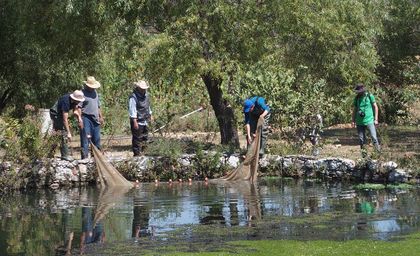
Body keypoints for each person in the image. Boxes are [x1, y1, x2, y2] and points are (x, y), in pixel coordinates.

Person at [49, 90, 85, 161]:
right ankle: (65, 156)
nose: (79, 102)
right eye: (78, 100)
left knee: (56, 134)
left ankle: (50, 153)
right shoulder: (66, 101)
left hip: (60, 114)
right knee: (63, 132)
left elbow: (75, 111)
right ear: (75, 98)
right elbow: (65, 120)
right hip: (55, 113)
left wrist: (79, 118)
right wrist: (69, 133)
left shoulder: (74, 101)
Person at [78, 76, 104, 159]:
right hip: (86, 117)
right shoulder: (82, 93)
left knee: (96, 139)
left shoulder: (95, 93)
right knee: (85, 139)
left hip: (95, 119)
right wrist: (80, 119)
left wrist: (101, 116)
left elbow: (98, 106)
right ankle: (84, 158)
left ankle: (96, 158)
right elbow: (78, 107)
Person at [352, 84, 381, 156]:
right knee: (361, 140)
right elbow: (354, 110)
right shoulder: (357, 98)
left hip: (370, 120)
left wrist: (376, 119)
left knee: (374, 137)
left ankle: (377, 154)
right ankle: (364, 156)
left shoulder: (369, 96)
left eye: (360, 91)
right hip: (359, 122)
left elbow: (375, 107)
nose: (359, 92)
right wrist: (353, 120)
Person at [128, 80, 152, 156]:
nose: (144, 90)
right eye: (142, 88)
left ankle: (145, 154)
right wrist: (134, 121)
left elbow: (148, 106)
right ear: (138, 88)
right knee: (137, 139)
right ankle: (137, 155)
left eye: (144, 89)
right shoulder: (133, 97)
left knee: (145, 137)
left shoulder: (146, 95)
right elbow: (133, 110)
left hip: (145, 120)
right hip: (137, 121)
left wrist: (151, 115)